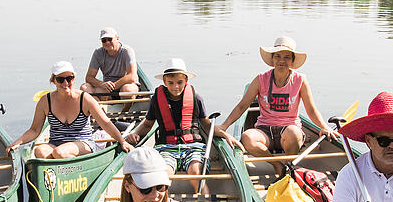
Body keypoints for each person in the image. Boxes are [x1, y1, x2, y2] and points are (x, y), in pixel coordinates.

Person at [219, 35, 336, 176]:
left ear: (292, 61)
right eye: (278, 56)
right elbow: (242, 106)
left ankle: (290, 166)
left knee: (293, 133)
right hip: (265, 130)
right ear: (273, 59)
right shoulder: (261, 79)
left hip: (289, 129)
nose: (281, 61)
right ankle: (278, 165)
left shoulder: (300, 80)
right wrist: (224, 126)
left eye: (286, 57)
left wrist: (324, 127)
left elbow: (311, 109)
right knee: (247, 137)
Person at [125, 58, 242, 193]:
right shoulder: (157, 99)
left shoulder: (196, 98)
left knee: (196, 173)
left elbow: (207, 126)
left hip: (194, 146)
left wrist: (225, 134)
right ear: (164, 82)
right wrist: (135, 134)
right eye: (171, 83)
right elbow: (147, 124)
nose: (176, 87)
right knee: (163, 176)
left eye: (180, 82)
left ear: (186, 81)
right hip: (166, 147)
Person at [7, 61, 133, 158]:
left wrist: (122, 141)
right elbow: (34, 130)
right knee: (39, 151)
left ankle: (73, 172)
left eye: (69, 78)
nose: (65, 83)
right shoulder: (45, 101)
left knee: (60, 153)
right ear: (53, 81)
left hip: (83, 143)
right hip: (55, 143)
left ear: (74, 78)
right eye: (60, 79)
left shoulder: (85, 99)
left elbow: (105, 123)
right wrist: (17, 142)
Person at [80, 27, 139, 100]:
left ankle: (125, 110)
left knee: (127, 90)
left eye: (110, 39)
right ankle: (99, 107)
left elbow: (132, 76)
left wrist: (113, 86)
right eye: (104, 40)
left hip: (124, 85)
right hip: (106, 88)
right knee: (84, 87)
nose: (107, 42)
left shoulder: (127, 51)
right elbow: (89, 77)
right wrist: (101, 84)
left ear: (117, 38)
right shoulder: (98, 53)